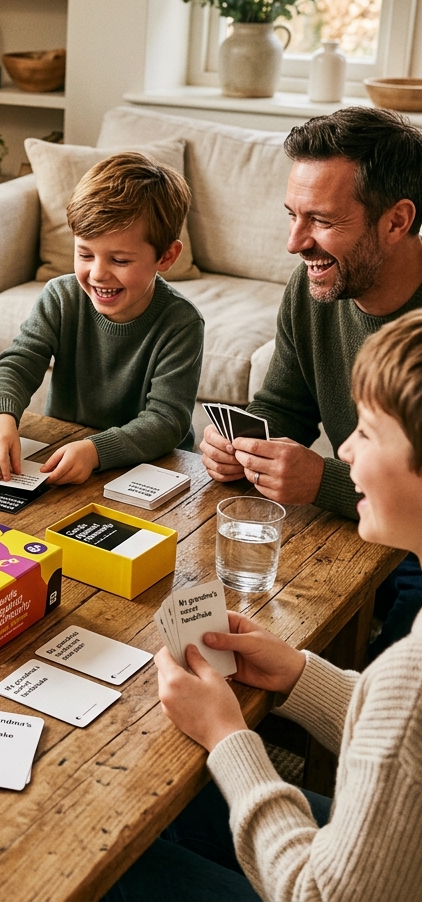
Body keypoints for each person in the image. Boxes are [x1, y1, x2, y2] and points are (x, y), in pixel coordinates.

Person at [106, 309, 422, 902]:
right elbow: (410, 744)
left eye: (370, 432)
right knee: (187, 800)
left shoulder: (410, 676)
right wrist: (302, 675)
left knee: (110, 867)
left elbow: (316, 894)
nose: (345, 449)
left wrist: (227, 734)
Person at [199, 106, 422, 655]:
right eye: (292, 216)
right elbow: (283, 405)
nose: (295, 243)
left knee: (382, 692)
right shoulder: (313, 289)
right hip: (363, 524)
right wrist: (241, 444)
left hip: (413, 547)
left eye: (321, 221)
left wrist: (322, 481)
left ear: (396, 221)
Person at [0, 152, 204, 485]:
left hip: (152, 470)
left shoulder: (181, 323)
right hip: (68, 456)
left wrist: (96, 451)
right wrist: (0, 420)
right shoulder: (61, 297)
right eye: (84, 254)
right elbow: (16, 364)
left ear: (167, 256)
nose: (98, 274)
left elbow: (165, 422)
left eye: (120, 260)